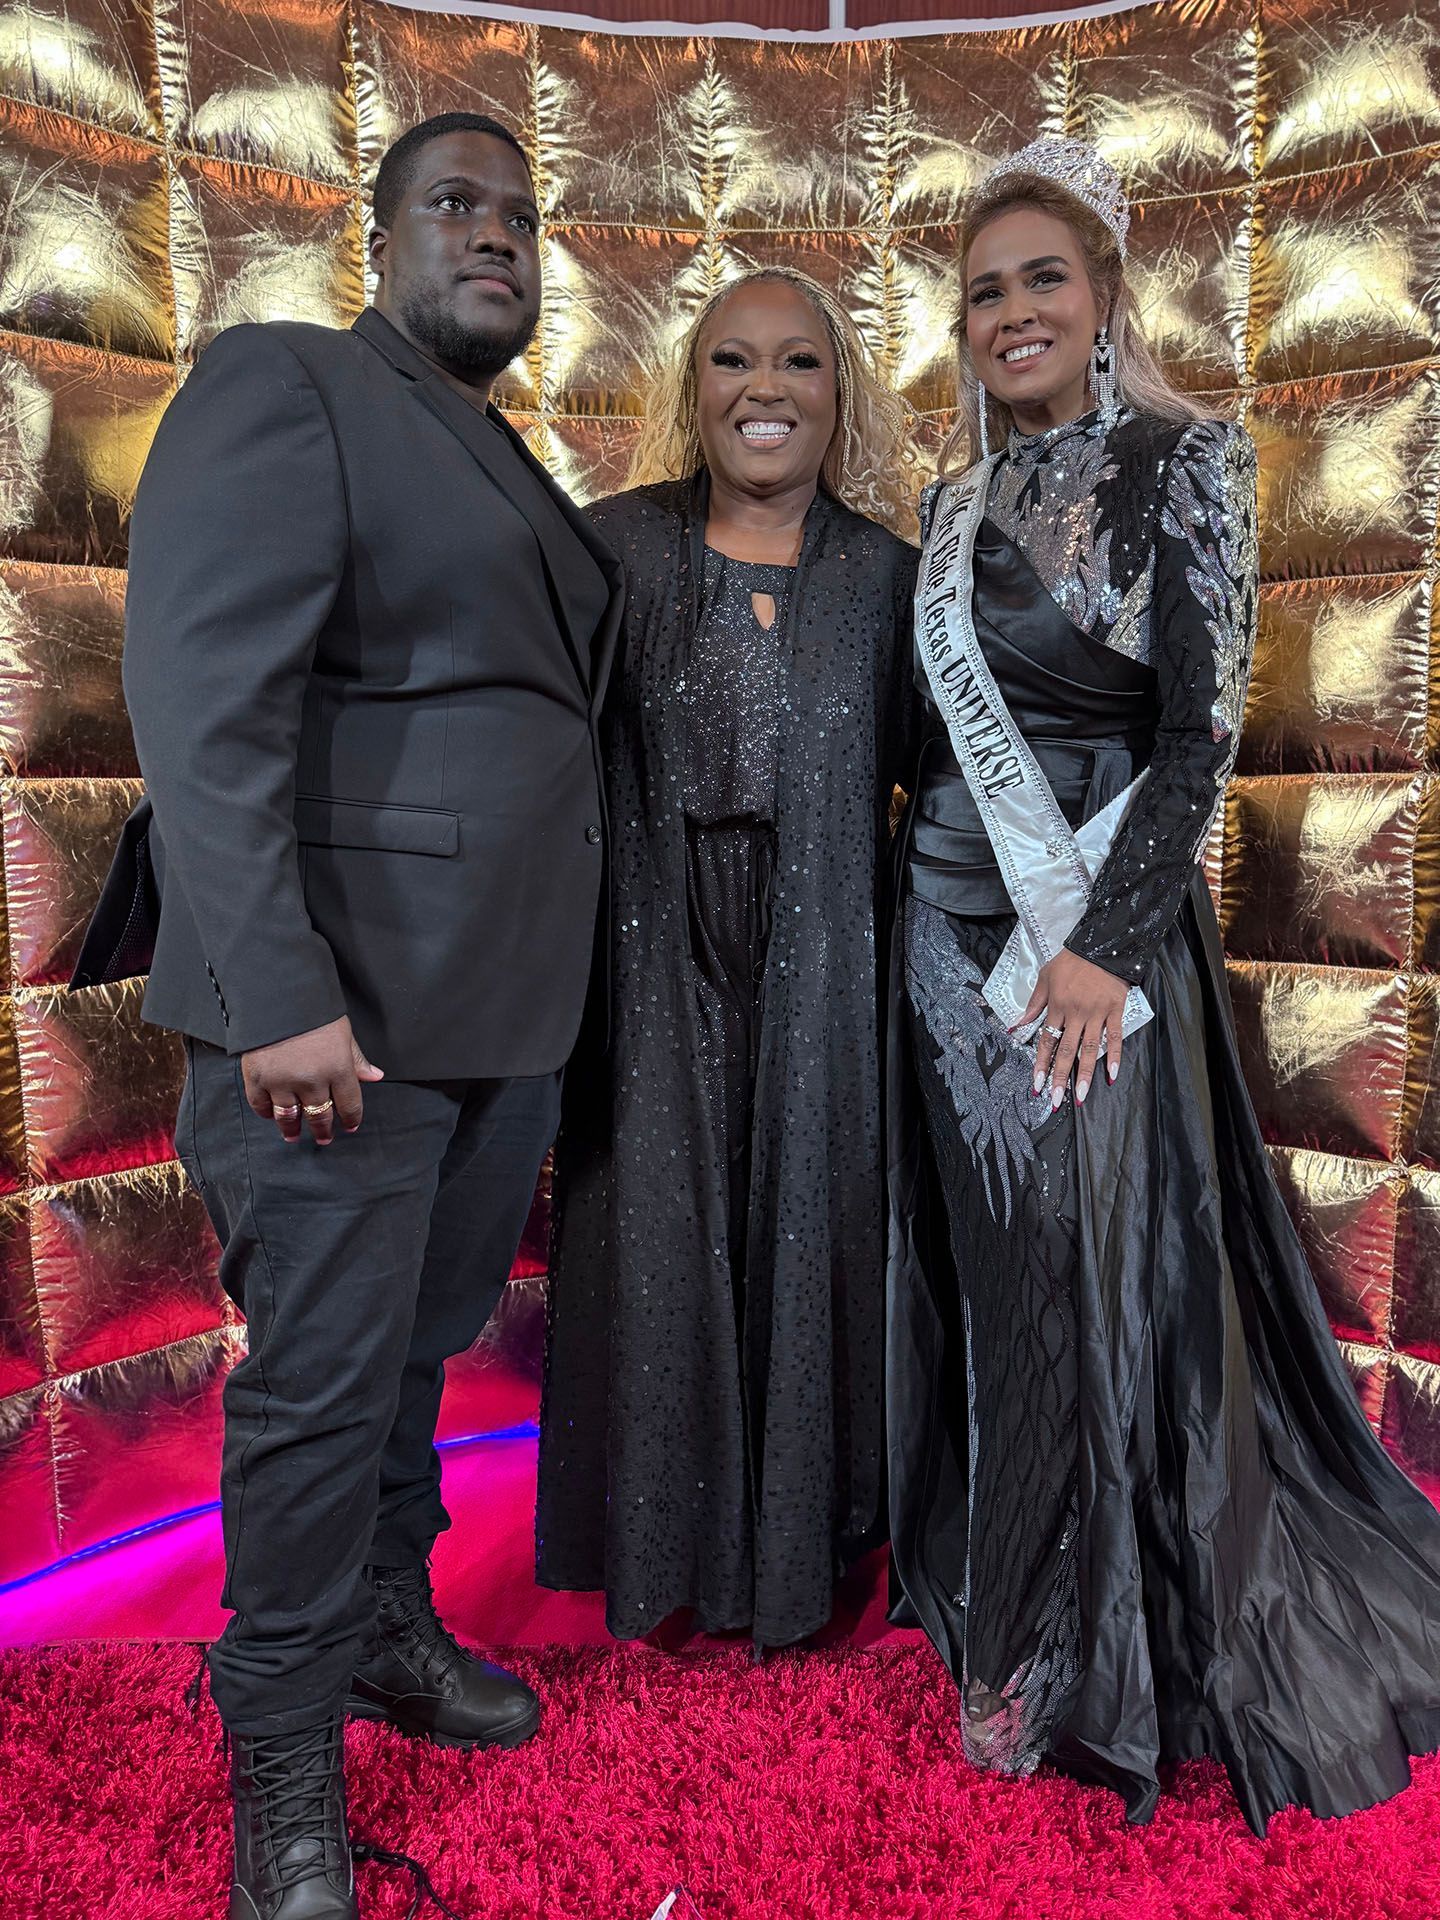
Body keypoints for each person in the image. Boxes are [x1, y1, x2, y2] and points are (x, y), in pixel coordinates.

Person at [72, 113, 621, 1918]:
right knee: (314, 1393)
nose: (498, 240)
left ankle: (387, 1623)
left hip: (495, 1018)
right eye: (458, 207)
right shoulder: (287, 381)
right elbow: (203, 688)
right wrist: (287, 996)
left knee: (403, 1359)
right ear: (380, 243)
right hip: (339, 1021)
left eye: (520, 219)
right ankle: (284, 1764)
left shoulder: (494, 454)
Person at [887, 137, 1440, 1834]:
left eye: (1043, 278)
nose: (1012, 313)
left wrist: (1099, 947)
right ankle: (1011, 1591)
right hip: (949, 933)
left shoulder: (1193, 460)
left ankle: (1098, 1638)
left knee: (1094, 1265)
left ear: (1108, 295)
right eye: (985, 291)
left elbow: (1195, 734)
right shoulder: (946, 504)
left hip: (1096, 945)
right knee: (999, 1262)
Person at [536, 268, 919, 1650]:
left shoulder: (888, 579)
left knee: (815, 1238)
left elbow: (945, 793)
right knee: (657, 1240)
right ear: (690, 393)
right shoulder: (609, 552)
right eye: (734, 362)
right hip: (648, 966)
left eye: (801, 364)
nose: (767, 390)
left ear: (841, 395)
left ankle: (801, 1567)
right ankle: (666, 1563)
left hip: (828, 966)